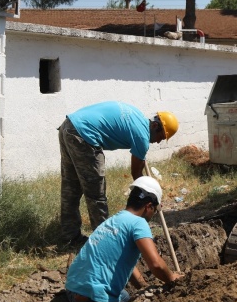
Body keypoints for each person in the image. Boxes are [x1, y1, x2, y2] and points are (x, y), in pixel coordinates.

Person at [58, 101, 178, 246]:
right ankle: (103, 243)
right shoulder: (142, 137)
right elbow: (136, 174)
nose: (159, 142)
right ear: (154, 126)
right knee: (96, 194)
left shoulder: (138, 116)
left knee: (71, 187)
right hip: (84, 135)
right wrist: (153, 197)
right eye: (161, 136)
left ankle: (69, 237)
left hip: (69, 126)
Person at [65, 176, 184, 302]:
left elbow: (125, 261)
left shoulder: (114, 220)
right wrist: (171, 278)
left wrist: (143, 287)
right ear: (148, 206)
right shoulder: (139, 223)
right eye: (155, 209)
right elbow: (156, 264)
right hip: (93, 300)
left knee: (125, 297)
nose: (153, 214)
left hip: (72, 288)